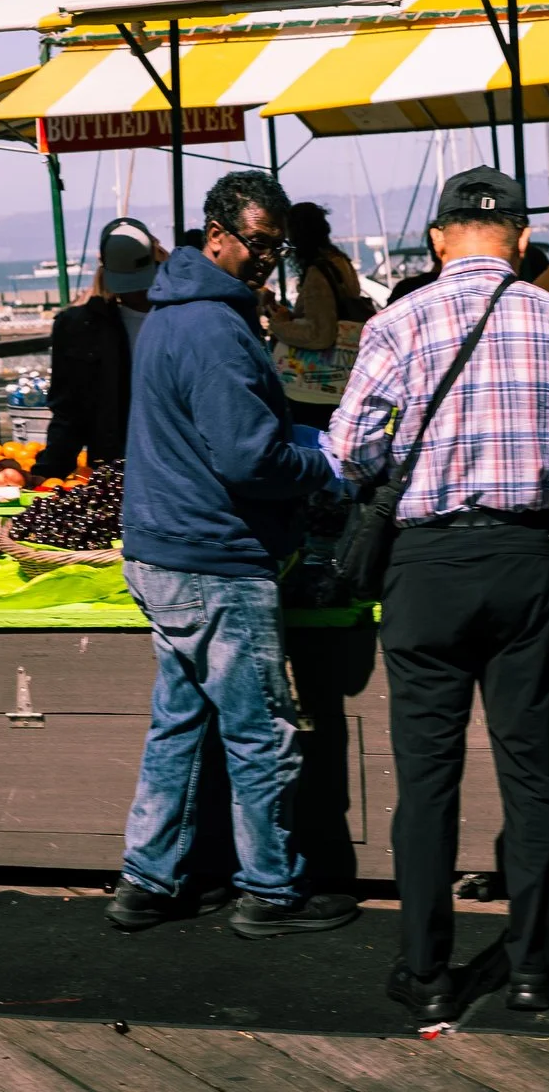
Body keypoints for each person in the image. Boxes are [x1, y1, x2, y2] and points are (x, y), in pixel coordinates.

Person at [328, 167, 549, 1023]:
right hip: (526, 557)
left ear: (437, 237)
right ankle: (533, 967)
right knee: (533, 772)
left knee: (427, 781)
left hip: (424, 566)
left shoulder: (397, 322)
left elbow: (348, 449)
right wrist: (539, 466)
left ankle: (426, 969)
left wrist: (412, 463)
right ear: (523, 239)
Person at [108, 170, 351, 939]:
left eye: (277, 247)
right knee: (260, 729)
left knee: (178, 721)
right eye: (259, 244)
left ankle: (148, 879)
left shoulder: (171, 312)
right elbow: (250, 460)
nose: (268, 261)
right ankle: (271, 890)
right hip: (216, 557)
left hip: (158, 550)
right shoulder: (216, 328)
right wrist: (327, 463)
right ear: (217, 234)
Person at [35, 218, 162, 482]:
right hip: (116, 472)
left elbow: (67, 413)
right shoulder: (79, 327)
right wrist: (48, 475)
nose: (138, 291)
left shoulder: (183, 317)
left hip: (166, 469)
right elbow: (68, 412)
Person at [268, 202, 376, 391]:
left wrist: (279, 325)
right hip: (348, 374)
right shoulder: (340, 261)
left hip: (320, 383)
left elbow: (320, 334)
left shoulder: (318, 272)